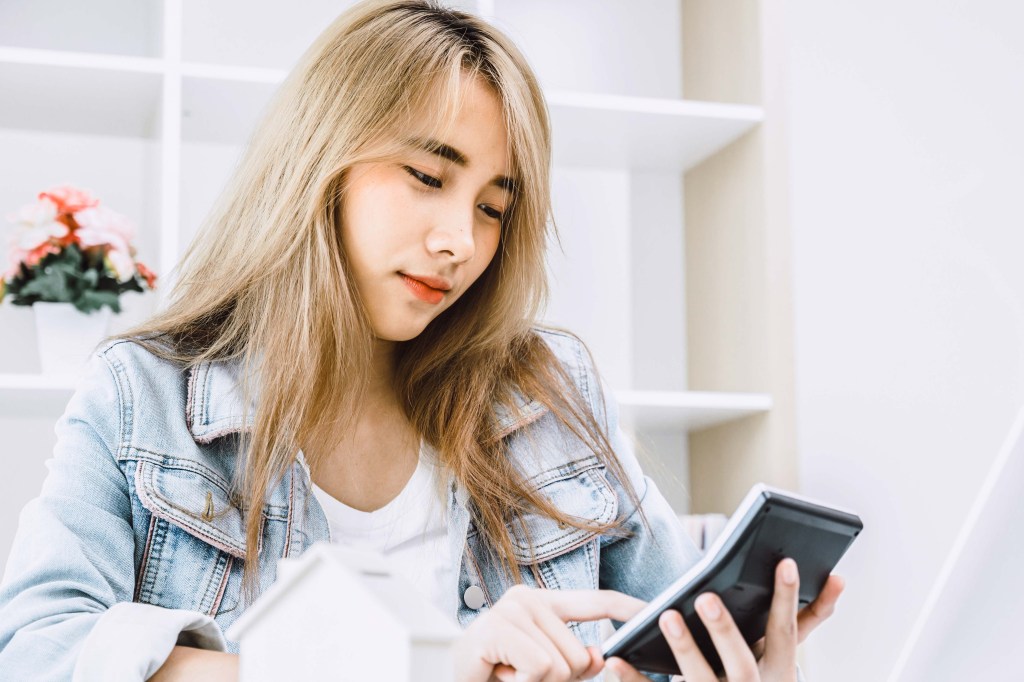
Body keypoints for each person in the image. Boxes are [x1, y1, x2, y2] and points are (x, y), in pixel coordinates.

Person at [0, 1, 844, 680]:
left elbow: (660, 631)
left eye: (492, 206)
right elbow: (39, 652)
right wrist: (425, 664)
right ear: (317, 162)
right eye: (429, 177)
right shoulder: (141, 397)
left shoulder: (553, 393)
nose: (461, 242)